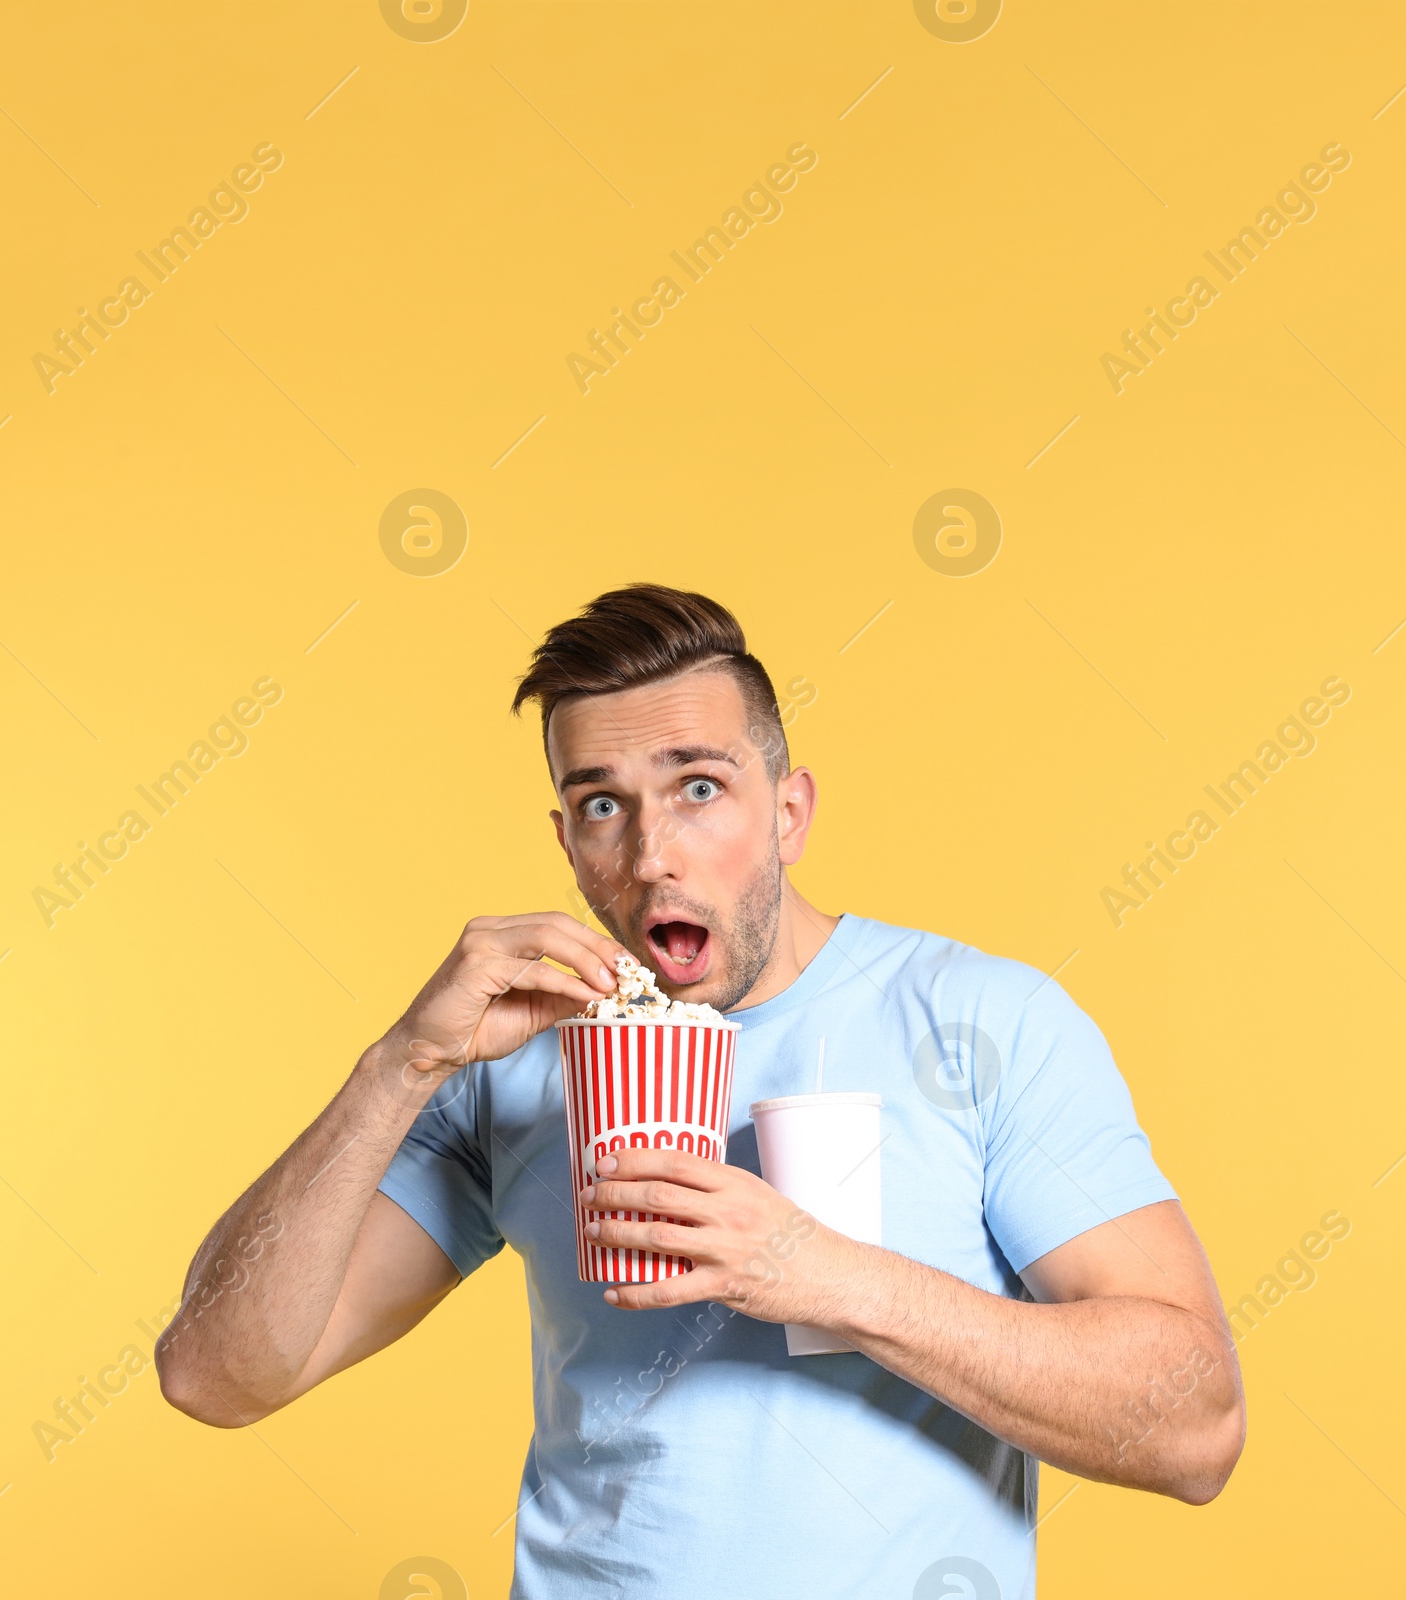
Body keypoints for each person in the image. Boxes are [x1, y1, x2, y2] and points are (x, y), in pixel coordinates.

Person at [156, 583, 1245, 1597]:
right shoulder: (512, 1061)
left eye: (698, 787)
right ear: (566, 843)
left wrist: (820, 1273)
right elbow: (218, 1373)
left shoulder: (978, 1021)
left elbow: (1193, 1428)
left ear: (788, 810)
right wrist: (402, 1063)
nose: (651, 855)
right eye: (599, 805)